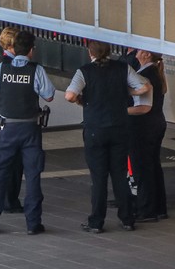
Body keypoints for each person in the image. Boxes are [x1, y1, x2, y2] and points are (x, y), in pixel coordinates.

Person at [65, 40, 151, 233]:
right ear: (109, 51)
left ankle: (96, 221)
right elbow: (145, 87)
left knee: (99, 178)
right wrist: (128, 91)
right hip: (119, 128)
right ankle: (127, 219)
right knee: (120, 175)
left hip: (95, 129)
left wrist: (81, 100)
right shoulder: (123, 68)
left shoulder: (84, 71)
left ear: (90, 53)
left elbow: (69, 95)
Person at [0, 31, 55, 236]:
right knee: (33, 177)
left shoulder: (1, 68)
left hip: (8, 129)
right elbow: (49, 96)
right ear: (31, 50)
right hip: (31, 129)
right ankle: (33, 224)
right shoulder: (36, 69)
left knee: (0, 175)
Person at [129, 49, 168, 222]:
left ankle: (146, 209)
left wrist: (121, 111)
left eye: (138, 50)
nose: (135, 52)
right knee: (153, 165)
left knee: (142, 168)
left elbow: (143, 106)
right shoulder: (155, 72)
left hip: (144, 126)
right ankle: (159, 207)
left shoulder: (145, 75)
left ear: (146, 54)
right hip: (157, 123)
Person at [0, 26, 24, 213]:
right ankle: (10, 199)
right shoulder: (21, 66)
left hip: (5, 119)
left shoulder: (1, 65)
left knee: (7, 160)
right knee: (16, 163)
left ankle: (7, 198)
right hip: (20, 120)